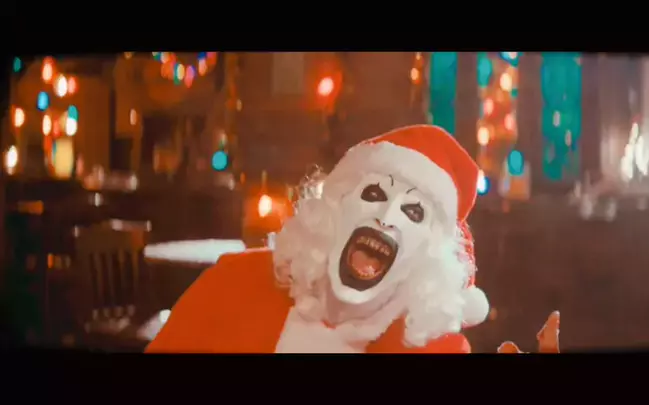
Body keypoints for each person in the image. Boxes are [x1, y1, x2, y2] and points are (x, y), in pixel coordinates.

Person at [146, 124, 557, 353]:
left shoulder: (436, 350)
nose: (386, 216)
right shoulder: (235, 282)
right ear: (335, 209)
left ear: (425, 259)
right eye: (374, 194)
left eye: (413, 213)